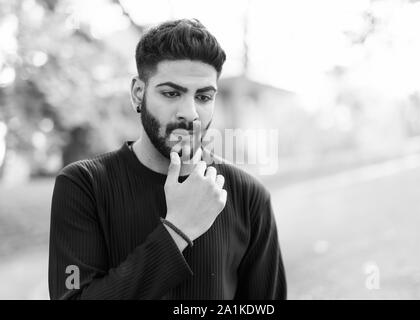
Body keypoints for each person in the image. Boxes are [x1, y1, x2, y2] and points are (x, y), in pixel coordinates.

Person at [48, 18, 286, 300]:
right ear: (138, 93)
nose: (190, 112)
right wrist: (177, 230)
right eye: (171, 93)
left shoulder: (249, 196)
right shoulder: (83, 185)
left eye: (204, 96)